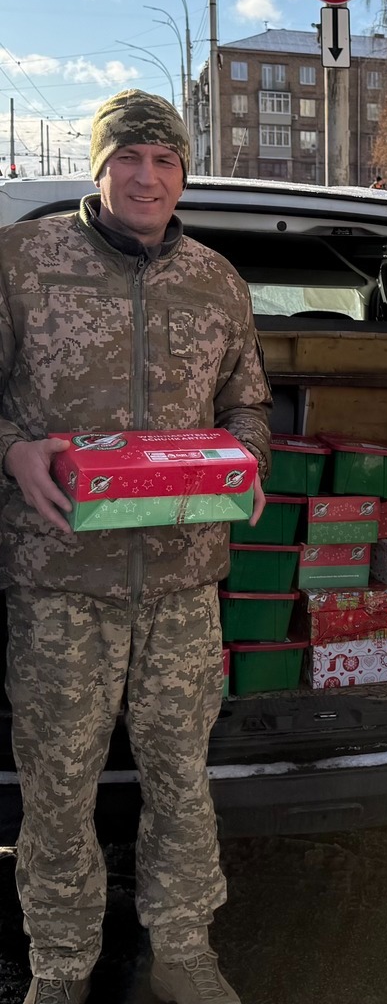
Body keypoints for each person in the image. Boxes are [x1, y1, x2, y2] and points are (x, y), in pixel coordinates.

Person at [0, 89, 272, 1004]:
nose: (145, 177)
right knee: (56, 786)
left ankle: (183, 951)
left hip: (183, 582)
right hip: (60, 582)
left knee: (182, 777)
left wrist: (248, 459)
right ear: (100, 165)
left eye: (164, 160)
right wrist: (13, 449)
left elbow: (247, 401)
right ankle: (59, 964)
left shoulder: (217, 280)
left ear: (183, 172)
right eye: (128, 157)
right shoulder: (22, 261)